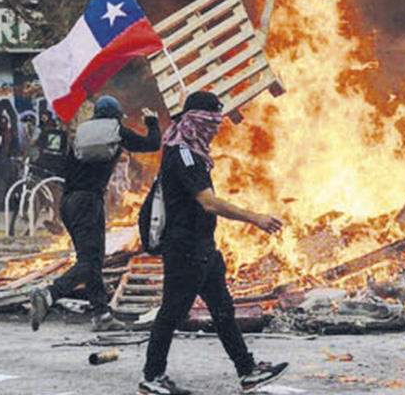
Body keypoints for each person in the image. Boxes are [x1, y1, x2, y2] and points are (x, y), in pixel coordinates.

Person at [138, 91, 288, 395]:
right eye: (212, 121)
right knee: (171, 312)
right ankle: (151, 378)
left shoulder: (187, 149)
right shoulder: (184, 154)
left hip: (202, 246)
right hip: (186, 247)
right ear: (198, 121)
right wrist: (255, 218)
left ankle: (247, 371)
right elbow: (207, 202)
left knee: (222, 310)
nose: (218, 128)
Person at [31, 95, 161, 333]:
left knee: (89, 260)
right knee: (91, 261)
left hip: (68, 202)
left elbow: (65, 167)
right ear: (115, 115)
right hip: (89, 203)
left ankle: (101, 314)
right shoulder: (117, 131)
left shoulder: (82, 134)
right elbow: (152, 144)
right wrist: (152, 122)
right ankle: (50, 293)